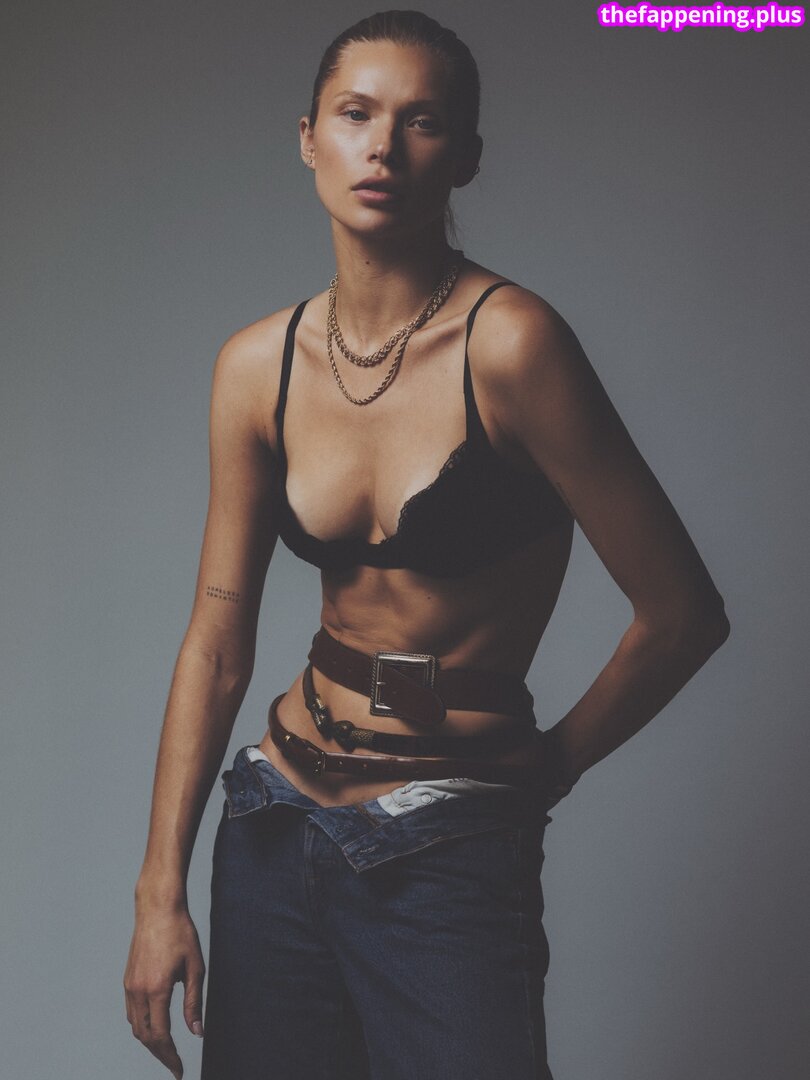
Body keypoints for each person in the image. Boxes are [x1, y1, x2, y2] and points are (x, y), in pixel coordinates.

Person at [123, 10, 730, 1080]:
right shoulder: (258, 366)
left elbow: (682, 615)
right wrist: (158, 892)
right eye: (356, 115)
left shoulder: (514, 346)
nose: (384, 149)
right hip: (274, 822)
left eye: (423, 121)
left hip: (448, 841)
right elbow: (216, 644)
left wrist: (546, 771)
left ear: (467, 156)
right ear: (309, 137)